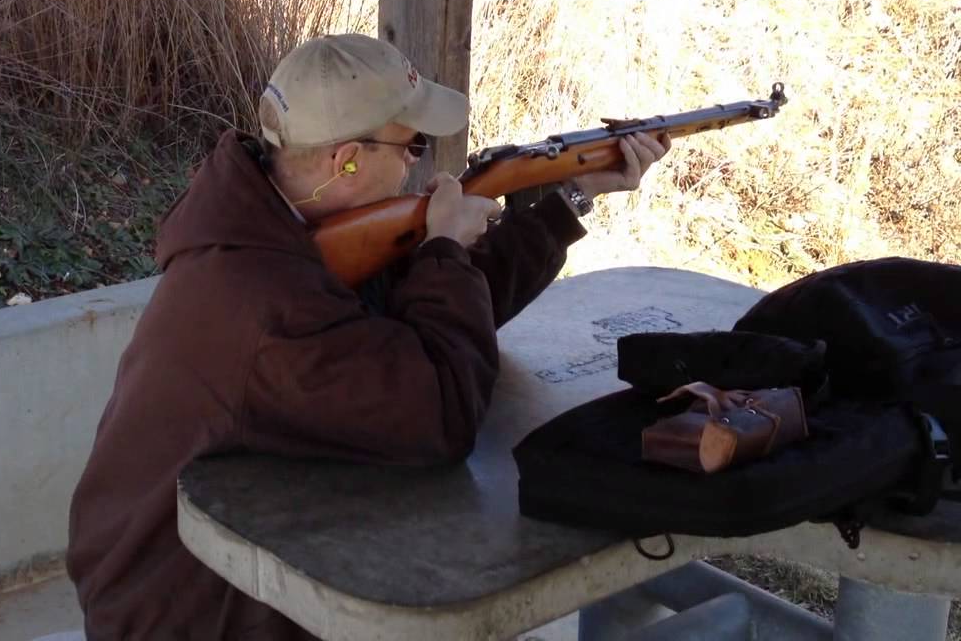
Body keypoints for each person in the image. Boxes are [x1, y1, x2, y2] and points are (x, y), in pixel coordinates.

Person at [65, 33, 670, 640]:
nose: (416, 164)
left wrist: (571, 198)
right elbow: (442, 412)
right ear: (347, 160)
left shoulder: (273, 224)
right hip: (183, 608)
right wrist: (443, 247)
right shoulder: (265, 300)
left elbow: (449, 313)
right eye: (412, 146)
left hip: (227, 564)